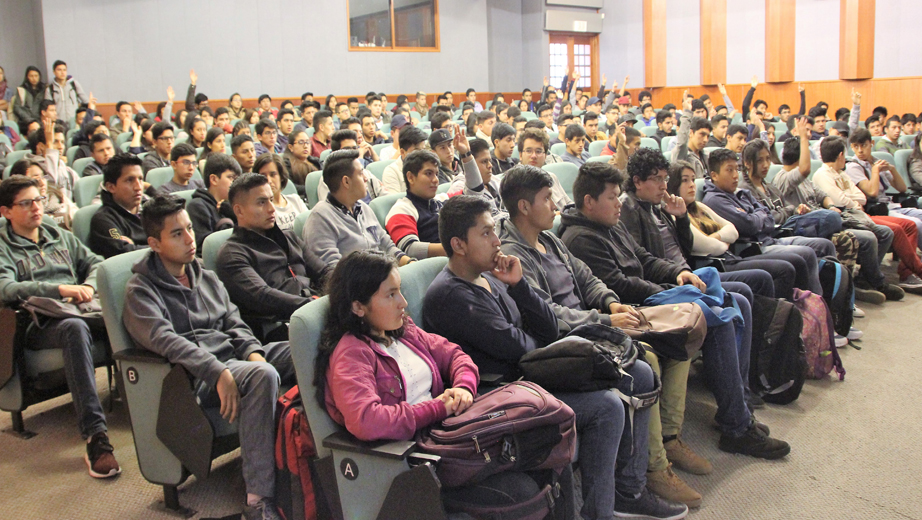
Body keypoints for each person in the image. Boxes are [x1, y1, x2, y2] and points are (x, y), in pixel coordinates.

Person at [424, 194, 690, 520]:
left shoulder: (491, 274)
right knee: (606, 405)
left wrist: (520, 285)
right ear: (459, 244)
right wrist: (542, 336)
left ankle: (629, 490)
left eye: (495, 231)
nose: (497, 241)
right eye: (486, 233)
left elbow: (548, 329)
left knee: (639, 371)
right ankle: (600, 511)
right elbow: (524, 348)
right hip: (502, 394)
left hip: (530, 377)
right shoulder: (452, 295)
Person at [123, 195, 292, 520]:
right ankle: (257, 501)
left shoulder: (204, 275)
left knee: (301, 349)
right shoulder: (140, 291)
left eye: (189, 228)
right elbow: (166, 341)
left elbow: (233, 322)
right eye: (177, 234)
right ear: (155, 243)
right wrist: (216, 371)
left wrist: (254, 353)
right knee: (264, 376)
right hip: (192, 380)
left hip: (234, 362)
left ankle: (301, 463)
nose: (190, 239)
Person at [0, 176, 120, 478]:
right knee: (72, 329)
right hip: (37, 324)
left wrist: (89, 286)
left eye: (38, 200)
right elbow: (6, 288)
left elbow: (95, 262)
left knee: (128, 308)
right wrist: (60, 290)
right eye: (25, 203)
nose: (36, 208)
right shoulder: (3, 246)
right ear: (6, 212)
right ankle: (96, 438)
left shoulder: (57, 233)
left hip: (80, 308)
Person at [772, 121, 902, 302]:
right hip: (810, 227)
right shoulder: (785, 178)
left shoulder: (805, 180)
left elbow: (822, 194)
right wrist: (803, 137)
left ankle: (864, 279)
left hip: (825, 219)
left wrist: (830, 204)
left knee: (882, 231)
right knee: (867, 237)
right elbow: (805, 170)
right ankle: (868, 284)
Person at [702, 148, 832, 296]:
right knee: (804, 255)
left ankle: (827, 304)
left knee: (824, 245)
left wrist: (756, 217)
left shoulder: (741, 193)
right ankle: (813, 309)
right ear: (714, 175)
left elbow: (769, 216)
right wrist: (758, 216)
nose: (735, 175)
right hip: (754, 248)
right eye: (729, 170)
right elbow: (750, 226)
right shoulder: (715, 200)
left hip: (770, 238)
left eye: (736, 169)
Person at [215, 173, 326, 322]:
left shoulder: (288, 237)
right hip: (284, 324)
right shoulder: (233, 253)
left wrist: (340, 291)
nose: (272, 208)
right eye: (261, 203)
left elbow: (324, 271)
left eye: (271, 200)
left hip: (315, 308)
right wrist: (316, 305)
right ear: (239, 210)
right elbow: (263, 296)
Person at [303, 150, 411, 270]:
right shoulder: (320, 218)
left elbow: (387, 246)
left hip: (383, 277)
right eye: (361, 174)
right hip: (357, 285)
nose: (366, 178)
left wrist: (409, 263)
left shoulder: (363, 208)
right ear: (346, 181)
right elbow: (333, 273)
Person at [89, 153, 148, 258]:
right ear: (111, 187)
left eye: (140, 179)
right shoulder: (103, 219)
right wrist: (161, 247)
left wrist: (136, 247)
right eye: (130, 180)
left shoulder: (151, 208)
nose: (138, 187)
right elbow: (124, 253)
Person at [188, 153, 239, 253]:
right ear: (214, 179)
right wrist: (226, 224)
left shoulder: (232, 205)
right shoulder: (197, 207)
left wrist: (234, 213)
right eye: (230, 178)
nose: (235, 183)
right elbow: (204, 248)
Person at [253, 153, 307, 232]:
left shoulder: (295, 200)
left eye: (273, 175)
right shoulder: (261, 209)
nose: (269, 181)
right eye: (263, 176)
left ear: (281, 177)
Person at [671, 92, 711, 178]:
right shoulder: (682, 155)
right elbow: (682, 143)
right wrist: (687, 112)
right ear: (691, 133)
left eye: (707, 136)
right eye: (702, 135)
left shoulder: (706, 155)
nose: (705, 140)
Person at [382, 126, 428, 192]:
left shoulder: (427, 167)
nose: (421, 155)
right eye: (416, 151)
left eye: (423, 150)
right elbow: (395, 200)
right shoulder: (391, 172)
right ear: (402, 152)